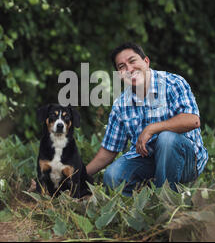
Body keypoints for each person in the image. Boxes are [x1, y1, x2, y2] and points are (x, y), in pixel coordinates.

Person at [86, 43, 208, 196]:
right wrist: (79, 175)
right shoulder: (121, 104)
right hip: (148, 163)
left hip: (186, 161)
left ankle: (166, 202)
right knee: (112, 175)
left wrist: (152, 128)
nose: (129, 69)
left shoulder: (173, 83)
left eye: (133, 61)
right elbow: (109, 150)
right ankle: (143, 205)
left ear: (146, 61)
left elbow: (192, 120)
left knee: (166, 139)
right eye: (122, 66)